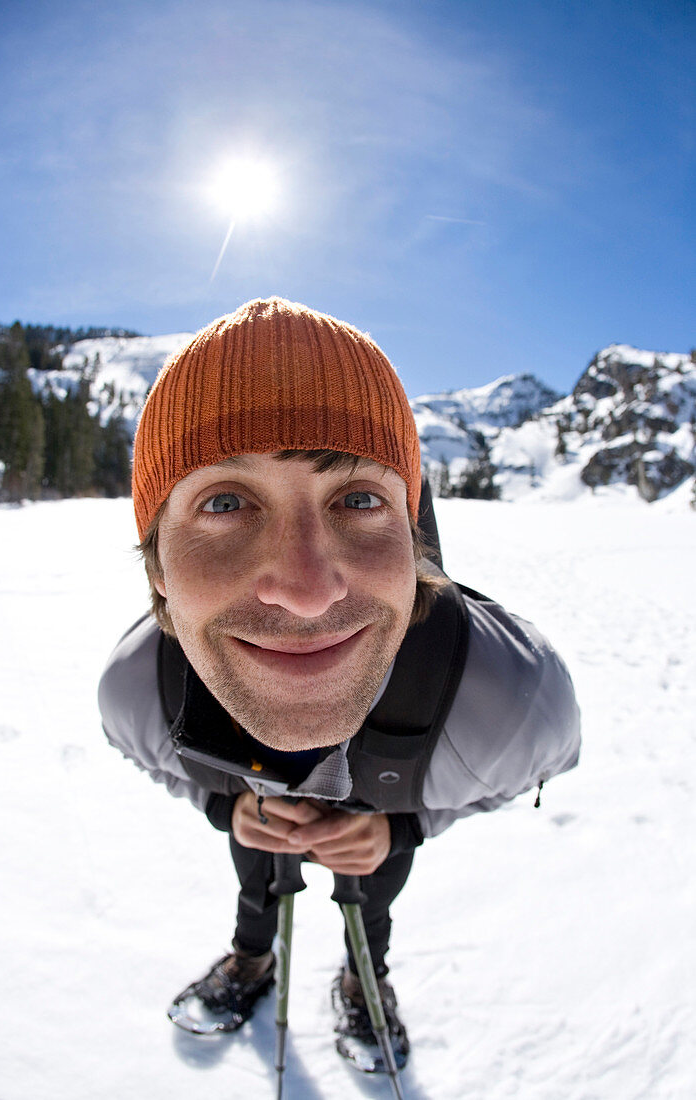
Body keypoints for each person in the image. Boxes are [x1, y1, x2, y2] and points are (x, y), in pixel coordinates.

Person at [98, 296, 580, 1072]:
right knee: (256, 870)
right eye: (225, 501)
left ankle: (365, 978)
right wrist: (226, 801)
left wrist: (404, 829)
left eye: (358, 499)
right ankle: (252, 956)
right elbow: (152, 758)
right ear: (156, 565)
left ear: (411, 537)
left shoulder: (506, 699)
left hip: (393, 795)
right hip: (258, 797)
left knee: (374, 883)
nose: (306, 587)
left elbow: (526, 773)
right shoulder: (138, 693)